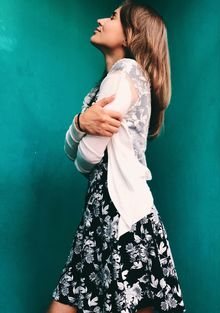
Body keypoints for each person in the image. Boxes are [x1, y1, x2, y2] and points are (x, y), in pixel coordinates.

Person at [46, 1, 186, 312]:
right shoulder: (108, 83)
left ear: (129, 35)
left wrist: (80, 132)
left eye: (111, 17)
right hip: (104, 214)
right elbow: (74, 150)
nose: (100, 19)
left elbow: (84, 159)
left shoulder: (125, 73)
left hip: (121, 215)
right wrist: (80, 123)